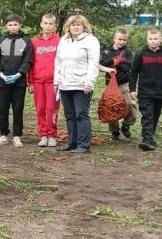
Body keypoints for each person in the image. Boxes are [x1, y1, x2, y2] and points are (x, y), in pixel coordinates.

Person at [54, 14, 100, 154]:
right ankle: (72, 143)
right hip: (65, 83)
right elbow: (58, 61)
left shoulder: (91, 41)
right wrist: (57, 80)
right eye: (73, 24)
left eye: (78, 25)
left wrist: (89, 82)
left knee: (81, 114)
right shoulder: (64, 40)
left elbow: (93, 63)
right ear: (68, 27)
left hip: (81, 84)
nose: (75, 27)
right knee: (69, 115)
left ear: (84, 27)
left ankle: (84, 145)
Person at [0, 14, 33, 148]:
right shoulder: (0, 41)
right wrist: (1, 74)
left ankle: (17, 136)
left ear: (20, 25)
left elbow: (28, 60)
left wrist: (19, 74)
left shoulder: (26, 41)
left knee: (17, 109)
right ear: (6, 26)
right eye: (10, 24)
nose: (13, 27)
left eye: (15, 24)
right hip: (2, 82)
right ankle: (3, 135)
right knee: (3, 109)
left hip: (19, 82)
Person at [130, 29, 162, 151]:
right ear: (147, 39)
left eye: (155, 39)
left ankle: (150, 138)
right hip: (144, 92)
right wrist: (132, 88)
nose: (153, 41)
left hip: (160, 92)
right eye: (150, 39)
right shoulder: (141, 54)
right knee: (147, 115)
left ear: (161, 40)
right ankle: (147, 140)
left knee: (155, 115)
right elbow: (133, 72)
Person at [99, 28, 137, 141]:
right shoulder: (106, 51)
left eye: (124, 40)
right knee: (111, 107)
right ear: (114, 38)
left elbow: (129, 66)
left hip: (124, 83)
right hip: (110, 84)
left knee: (130, 104)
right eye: (119, 39)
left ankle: (126, 124)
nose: (121, 42)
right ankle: (114, 131)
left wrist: (119, 62)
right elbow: (101, 64)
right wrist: (113, 61)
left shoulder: (127, 52)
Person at [28, 13, 61, 147]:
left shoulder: (60, 41)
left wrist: (59, 80)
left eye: (51, 24)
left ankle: (52, 134)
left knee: (51, 108)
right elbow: (31, 62)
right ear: (41, 24)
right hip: (37, 81)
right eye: (45, 23)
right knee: (40, 108)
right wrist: (30, 81)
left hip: (53, 81)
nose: (48, 26)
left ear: (55, 26)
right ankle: (43, 135)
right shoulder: (34, 42)